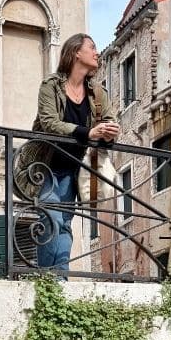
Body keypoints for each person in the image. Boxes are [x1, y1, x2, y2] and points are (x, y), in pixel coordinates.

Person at [31, 33, 119, 275]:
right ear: (76, 52)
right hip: (47, 165)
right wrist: (89, 132)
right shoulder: (51, 86)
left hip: (75, 167)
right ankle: (47, 279)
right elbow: (49, 123)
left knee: (66, 224)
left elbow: (110, 120)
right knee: (52, 220)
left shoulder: (98, 93)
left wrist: (110, 131)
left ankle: (59, 278)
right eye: (92, 47)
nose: (97, 52)